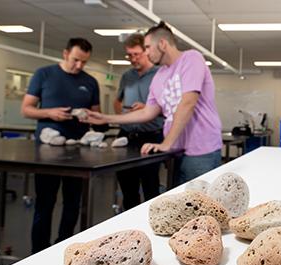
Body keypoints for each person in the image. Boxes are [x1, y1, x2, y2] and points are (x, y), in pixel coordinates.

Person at [86, 21, 222, 185]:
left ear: (163, 44)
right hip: (175, 150)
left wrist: (166, 143)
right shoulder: (159, 77)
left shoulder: (191, 58)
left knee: (199, 205)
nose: (146, 52)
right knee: (178, 204)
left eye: (148, 47)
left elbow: (188, 102)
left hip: (201, 150)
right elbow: (146, 112)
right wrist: (106, 118)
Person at [21, 38, 100, 253]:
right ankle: (37, 252)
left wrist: (88, 117)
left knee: (73, 203)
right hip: (47, 152)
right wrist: (50, 113)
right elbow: (26, 109)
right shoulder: (43, 74)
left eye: (84, 62)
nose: (79, 66)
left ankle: (63, 247)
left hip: (79, 152)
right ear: (65, 54)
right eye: (76, 60)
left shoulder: (91, 82)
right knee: (45, 203)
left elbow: (96, 114)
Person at [113, 33, 164, 210]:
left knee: (150, 186)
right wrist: (123, 117)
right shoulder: (127, 76)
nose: (133, 59)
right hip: (127, 137)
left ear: (146, 51)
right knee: (127, 187)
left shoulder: (160, 74)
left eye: (137, 54)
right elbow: (117, 101)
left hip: (151, 137)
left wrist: (147, 108)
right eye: (129, 55)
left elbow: (170, 107)